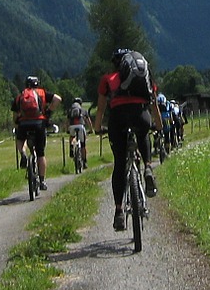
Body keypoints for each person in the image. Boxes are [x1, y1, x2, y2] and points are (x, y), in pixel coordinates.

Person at [94, 48, 163, 232]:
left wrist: (97, 127)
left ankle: (118, 212)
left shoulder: (108, 79)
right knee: (142, 136)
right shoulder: (144, 75)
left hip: (118, 119)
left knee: (119, 163)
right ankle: (148, 167)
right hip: (141, 115)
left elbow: (100, 109)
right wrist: (159, 125)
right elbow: (153, 102)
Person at [11, 76, 60, 190]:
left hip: (24, 124)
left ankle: (23, 153)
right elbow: (58, 99)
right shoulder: (42, 92)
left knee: (20, 139)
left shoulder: (20, 96)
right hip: (39, 123)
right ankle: (42, 181)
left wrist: (18, 127)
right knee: (41, 153)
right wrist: (48, 112)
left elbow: (14, 118)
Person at [67, 96, 91, 166]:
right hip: (81, 126)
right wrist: (91, 130)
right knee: (83, 145)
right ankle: (84, 162)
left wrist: (67, 129)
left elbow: (67, 121)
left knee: (72, 136)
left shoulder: (70, 110)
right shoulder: (83, 110)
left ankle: (71, 146)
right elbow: (88, 121)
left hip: (72, 126)